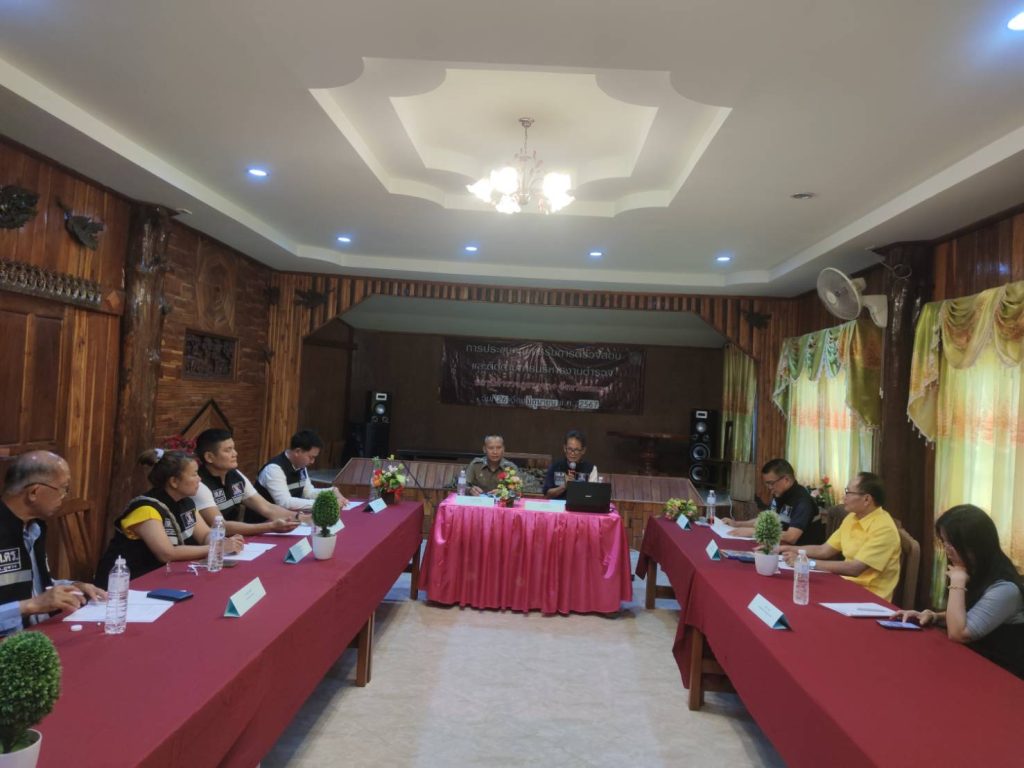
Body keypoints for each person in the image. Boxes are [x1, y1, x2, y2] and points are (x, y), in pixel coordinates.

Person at [892, 505, 1024, 678]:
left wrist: (958, 580)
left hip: (1000, 673)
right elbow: (971, 613)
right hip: (973, 660)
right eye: (944, 542)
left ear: (975, 545)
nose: (947, 549)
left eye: (952, 543)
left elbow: (958, 633)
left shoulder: (1005, 589)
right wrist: (933, 615)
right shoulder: (976, 568)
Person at [96, 449, 244, 586]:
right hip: (126, 583)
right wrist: (216, 548)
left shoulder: (186, 502)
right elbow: (167, 554)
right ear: (174, 482)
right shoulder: (147, 510)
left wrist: (223, 542)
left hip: (163, 577)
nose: (199, 479)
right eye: (194, 474)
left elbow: (204, 534)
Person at [0, 451, 105, 635]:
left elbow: (34, 586)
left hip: (40, 634)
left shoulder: (34, 528)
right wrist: (30, 605)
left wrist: (75, 586)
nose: (64, 496)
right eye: (63, 489)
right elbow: (33, 600)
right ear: (34, 492)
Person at [780, 471, 901, 600]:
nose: (844, 497)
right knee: (790, 592)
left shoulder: (884, 529)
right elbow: (824, 550)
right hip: (845, 586)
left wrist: (807, 563)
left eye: (848, 492)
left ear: (867, 499)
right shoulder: (852, 518)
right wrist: (785, 548)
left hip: (869, 597)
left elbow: (854, 568)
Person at [192, 429, 302, 533]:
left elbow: (267, 508)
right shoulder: (199, 484)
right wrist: (270, 526)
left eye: (233, 448)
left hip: (236, 539)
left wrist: (301, 518)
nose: (235, 453)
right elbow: (221, 526)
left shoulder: (235, 475)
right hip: (212, 543)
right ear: (209, 457)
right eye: (228, 450)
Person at [720, 458, 825, 546]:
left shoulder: (803, 501)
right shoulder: (780, 494)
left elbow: (791, 536)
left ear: (786, 480)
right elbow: (765, 520)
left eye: (771, 483)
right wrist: (737, 524)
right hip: (779, 548)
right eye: (767, 484)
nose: (769, 487)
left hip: (801, 557)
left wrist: (754, 532)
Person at [255, 429, 348, 511]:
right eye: (311, 457)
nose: (313, 461)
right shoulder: (274, 469)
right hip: (262, 522)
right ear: (297, 452)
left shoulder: (300, 466)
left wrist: (330, 492)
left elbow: (307, 493)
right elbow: (285, 503)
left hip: (286, 518)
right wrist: (325, 504)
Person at [543, 430, 599, 498]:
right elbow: (546, 495)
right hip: (558, 504)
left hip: (580, 504)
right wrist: (564, 486)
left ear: (583, 450)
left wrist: (576, 485)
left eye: (576, 450)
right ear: (564, 448)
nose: (572, 453)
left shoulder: (591, 469)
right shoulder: (555, 466)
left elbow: (592, 496)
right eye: (569, 449)